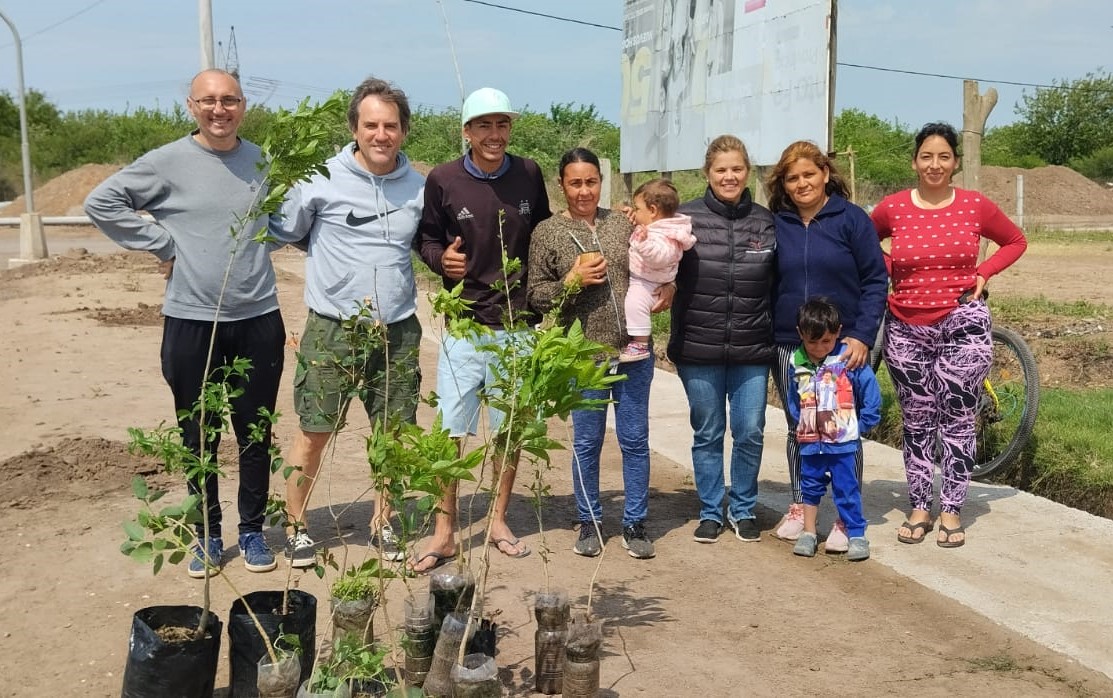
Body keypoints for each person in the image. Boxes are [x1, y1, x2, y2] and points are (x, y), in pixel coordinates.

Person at [84, 69, 283, 578]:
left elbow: (282, 222)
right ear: (192, 106)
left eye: (230, 100)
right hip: (192, 321)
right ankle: (207, 534)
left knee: (254, 431)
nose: (220, 110)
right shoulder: (167, 162)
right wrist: (162, 244)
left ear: (243, 106)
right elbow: (101, 202)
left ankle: (253, 531)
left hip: (258, 317)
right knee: (198, 433)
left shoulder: (263, 160)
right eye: (209, 101)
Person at [269, 77, 424, 568]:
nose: (382, 134)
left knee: (393, 435)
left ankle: (385, 521)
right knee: (314, 431)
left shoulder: (420, 187)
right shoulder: (319, 178)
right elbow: (283, 233)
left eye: (392, 126)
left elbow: (431, 246)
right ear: (354, 128)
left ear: (404, 131)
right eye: (372, 124)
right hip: (333, 329)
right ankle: (295, 525)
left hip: (397, 329)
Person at [413, 87, 551, 573]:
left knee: (509, 431)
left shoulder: (530, 173)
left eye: (502, 125)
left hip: (519, 326)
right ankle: (445, 532)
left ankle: (497, 521)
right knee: (451, 431)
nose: (494, 135)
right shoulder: (443, 179)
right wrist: (440, 259)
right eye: (484, 126)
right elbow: (425, 238)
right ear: (467, 132)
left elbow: (545, 236)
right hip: (465, 326)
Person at [872, 122, 1027, 548]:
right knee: (918, 421)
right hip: (906, 326)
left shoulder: (975, 206)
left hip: (964, 323)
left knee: (958, 419)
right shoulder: (895, 208)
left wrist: (983, 272)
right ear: (915, 161)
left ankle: (953, 509)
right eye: (927, 156)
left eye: (943, 156)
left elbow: (1015, 241)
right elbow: (862, 242)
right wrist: (892, 271)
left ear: (955, 162)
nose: (934, 164)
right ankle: (921, 505)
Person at [527, 148, 668, 560]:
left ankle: (635, 523)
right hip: (581, 356)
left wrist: (670, 287)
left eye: (591, 182)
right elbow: (537, 297)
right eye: (575, 183)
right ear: (562, 185)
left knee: (635, 440)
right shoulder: (547, 232)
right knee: (587, 443)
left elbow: (659, 261)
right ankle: (589, 520)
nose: (584, 191)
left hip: (633, 353)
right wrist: (571, 281)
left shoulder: (622, 223)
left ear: (600, 183)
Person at [764, 141, 888, 551]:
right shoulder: (776, 222)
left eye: (809, 174)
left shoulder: (852, 220)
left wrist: (861, 336)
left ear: (825, 174)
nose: (802, 183)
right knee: (801, 426)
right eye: (792, 177)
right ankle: (802, 505)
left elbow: (875, 281)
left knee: (843, 429)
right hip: (789, 344)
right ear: (783, 183)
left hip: (842, 345)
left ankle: (843, 519)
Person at [671, 134, 776, 544]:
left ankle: (744, 507)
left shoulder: (766, 222)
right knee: (709, 432)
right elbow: (655, 264)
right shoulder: (684, 220)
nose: (729, 176)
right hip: (699, 346)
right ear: (707, 173)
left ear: (747, 171)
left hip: (753, 346)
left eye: (736, 169)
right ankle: (712, 510)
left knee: (750, 429)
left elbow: (780, 282)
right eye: (721, 170)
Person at [785, 299, 881, 561]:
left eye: (826, 341)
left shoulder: (847, 358)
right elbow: (794, 399)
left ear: (838, 331)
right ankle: (808, 532)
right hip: (810, 441)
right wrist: (799, 423)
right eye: (812, 342)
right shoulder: (796, 361)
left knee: (846, 487)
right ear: (800, 333)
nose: (818, 348)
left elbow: (869, 389)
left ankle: (856, 533)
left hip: (842, 442)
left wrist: (864, 423)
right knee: (810, 485)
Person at [621, 178, 696, 362]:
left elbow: (659, 257)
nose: (635, 213)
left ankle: (640, 343)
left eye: (637, 209)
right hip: (648, 278)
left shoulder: (666, 235)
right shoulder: (660, 228)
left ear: (653, 210)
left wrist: (642, 243)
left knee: (634, 303)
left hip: (648, 282)